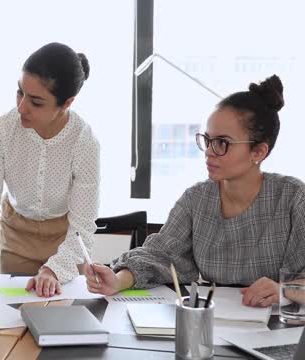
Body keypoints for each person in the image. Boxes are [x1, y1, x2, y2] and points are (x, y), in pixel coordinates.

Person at [86, 75, 305, 308]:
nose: (209, 152)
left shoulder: (293, 198)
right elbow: (160, 255)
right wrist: (117, 281)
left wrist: (284, 290)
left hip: (283, 324)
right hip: (215, 320)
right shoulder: (196, 199)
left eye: (222, 143)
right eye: (207, 140)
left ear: (258, 152)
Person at [0, 42, 100, 298]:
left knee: (61, 321)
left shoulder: (84, 142)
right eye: (20, 93)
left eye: (36, 102)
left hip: (66, 242)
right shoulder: (3, 130)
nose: (21, 107)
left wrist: (55, 270)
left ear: (67, 103)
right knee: (14, 316)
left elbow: (82, 226)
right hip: (16, 237)